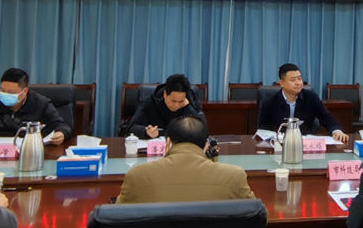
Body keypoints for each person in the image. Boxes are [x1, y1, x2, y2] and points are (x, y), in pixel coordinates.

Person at [118, 115, 256, 203]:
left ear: (168, 143)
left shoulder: (137, 175)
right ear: (206, 146)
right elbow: (258, 217)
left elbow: (117, 217)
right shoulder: (234, 176)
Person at [258, 63, 349, 143]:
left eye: (299, 78)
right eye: (293, 80)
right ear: (282, 83)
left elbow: (326, 117)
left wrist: (337, 131)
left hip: (305, 144)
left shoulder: (311, 97)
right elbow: (263, 129)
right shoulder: (269, 102)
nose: (298, 83)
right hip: (278, 145)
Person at [123, 73, 203, 139]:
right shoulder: (150, 102)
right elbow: (130, 128)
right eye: (173, 101)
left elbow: (202, 130)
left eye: (181, 101)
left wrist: (188, 107)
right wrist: (146, 131)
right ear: (165, 94)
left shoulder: (190, 101)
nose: (176, 105)